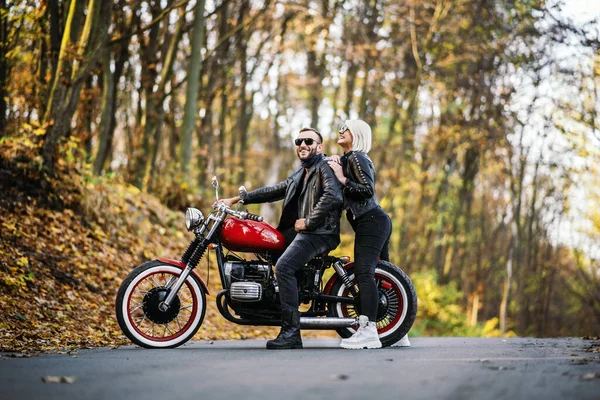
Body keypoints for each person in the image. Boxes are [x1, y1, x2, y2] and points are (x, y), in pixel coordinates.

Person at [219, 127, 343, 350]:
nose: (302, 144)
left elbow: (333, 196)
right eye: (299, 141)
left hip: (320, 232)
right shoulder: (300, 173)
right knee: (269, 248)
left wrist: (309, 221)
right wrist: (238, 199)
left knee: (284, 267)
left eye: (308, 141)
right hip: (303, 232)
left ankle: (291, 333)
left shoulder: (324, 166)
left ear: (319, 146)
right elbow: (275, 190)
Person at [328, 119, 410, 349]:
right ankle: (397, 333)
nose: (340, 131)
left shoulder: (357, 156)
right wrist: (338, 162)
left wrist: (342, 178)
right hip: (376, 221)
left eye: (345, 128)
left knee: (365, 273)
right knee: (382, 276)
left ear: (356, 133)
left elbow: (366, 189)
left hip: (371, 221)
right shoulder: (352, 158)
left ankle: (369, 332)